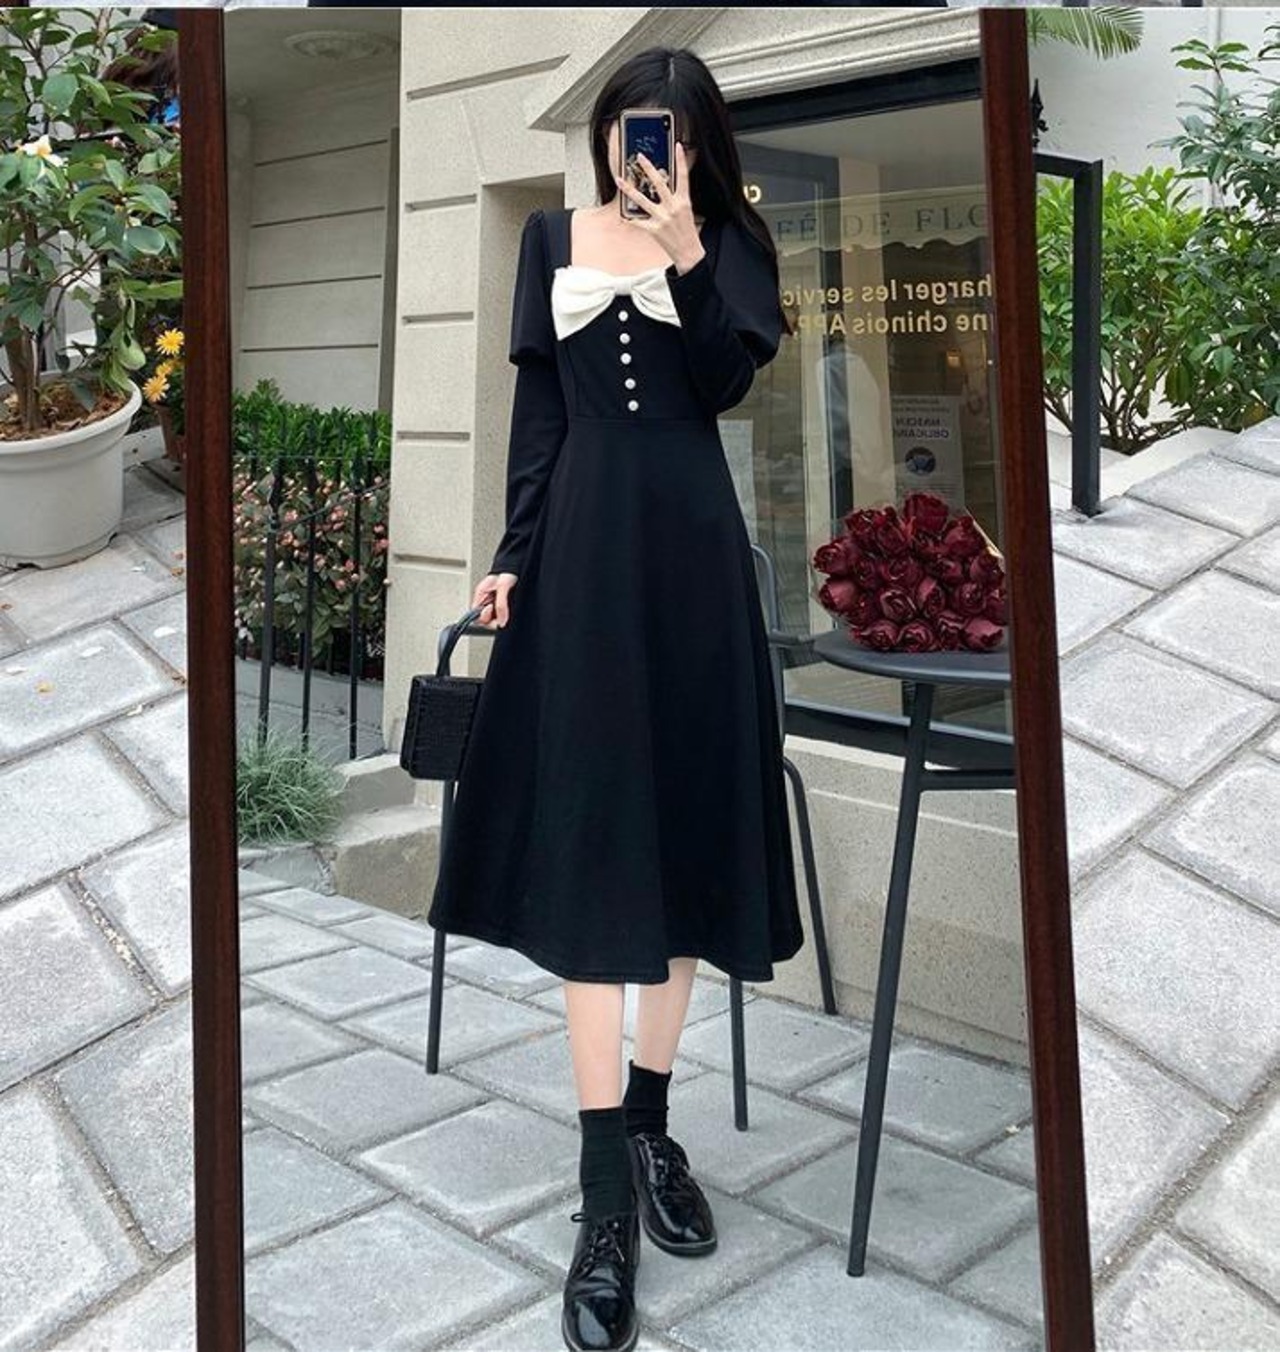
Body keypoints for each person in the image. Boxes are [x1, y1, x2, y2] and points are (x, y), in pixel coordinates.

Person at [425, 46, 806, 1352]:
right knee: (594, 844)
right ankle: (602, 1198)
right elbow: (538, 420)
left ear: (697, 145)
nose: (639, 153)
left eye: (664, 135)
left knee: (682, 838)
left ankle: (651, 1125)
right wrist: (510, 561)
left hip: (692, 556)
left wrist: (688, 246)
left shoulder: (734, 245)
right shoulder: (547, 240)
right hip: (583, 555)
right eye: (625, 130)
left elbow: (723, 385)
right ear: (602, 134)